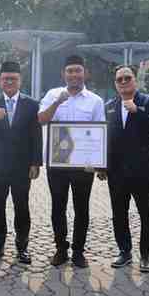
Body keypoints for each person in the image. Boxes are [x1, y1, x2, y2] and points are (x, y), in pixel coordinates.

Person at [38, 55, 105, 268]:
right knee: (58, 206)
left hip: (83, 164)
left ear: (85, 73)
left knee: (81, 208)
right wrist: (58, 102)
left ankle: (78, 251)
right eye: (70, 71)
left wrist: (100, 164)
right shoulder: (52, 95)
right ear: (63, 74)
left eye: (78, 70)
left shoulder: (95, 101)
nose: (74, 74)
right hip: (57, 162)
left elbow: (100, 133)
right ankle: (60, 249)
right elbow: (41, 120)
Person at [0, 60, 42, 265]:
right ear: (0, 80)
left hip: (22, 166)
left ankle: (22, 247)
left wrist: (36, 163)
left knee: (22, 206)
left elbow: (36, 135)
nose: (9, 82)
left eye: (13, 78)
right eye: (6, 79)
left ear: (20, 80)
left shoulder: (31, 104)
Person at [99, 65, 149, 271]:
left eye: (127, 78)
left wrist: (138, 111)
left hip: (143, 171)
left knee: (147, 214)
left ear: (135, 80)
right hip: (116, 172)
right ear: (115, 84)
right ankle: (124, 251)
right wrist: (101, 165)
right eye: (120, 79)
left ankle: (146, 254)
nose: (124, 82)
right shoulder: (109, 106)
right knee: (119, 214)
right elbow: (104, 138)